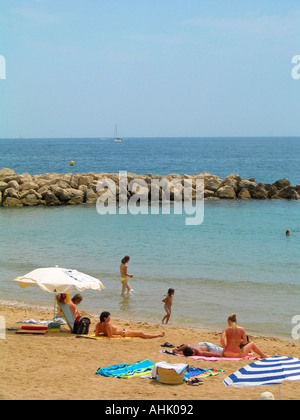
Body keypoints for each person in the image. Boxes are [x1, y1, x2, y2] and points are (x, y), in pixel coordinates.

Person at [95, 311, 165, 339]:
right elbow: (111, 336)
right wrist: (118, 336)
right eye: (109, 317)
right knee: (141, 333)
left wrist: (104, 334)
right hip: (124, 333)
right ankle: (158, 335)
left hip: (124, 331)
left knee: (140, 333)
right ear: (105, 318)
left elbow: (97, 335)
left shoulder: (98, 324)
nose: (110, 319)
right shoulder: (108, 325)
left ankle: (158, 335)